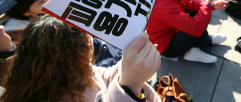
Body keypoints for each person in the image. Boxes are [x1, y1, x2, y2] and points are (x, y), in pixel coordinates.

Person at [0, 15, 161, 102]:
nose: (92, 44)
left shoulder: (78, 72)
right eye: (88, 41)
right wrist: (129, 87)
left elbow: (103, 75)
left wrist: (129, 63)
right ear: (77, 53)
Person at [146, 0, 227, 63]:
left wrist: (211, 5)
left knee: (202, 13)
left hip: (173, 32)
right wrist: (208, 2)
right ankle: (202, 43)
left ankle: (200, 43)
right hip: (167, 47)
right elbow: (195, 28)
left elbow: (190, 3)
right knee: (199, 21)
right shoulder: (162, 3)